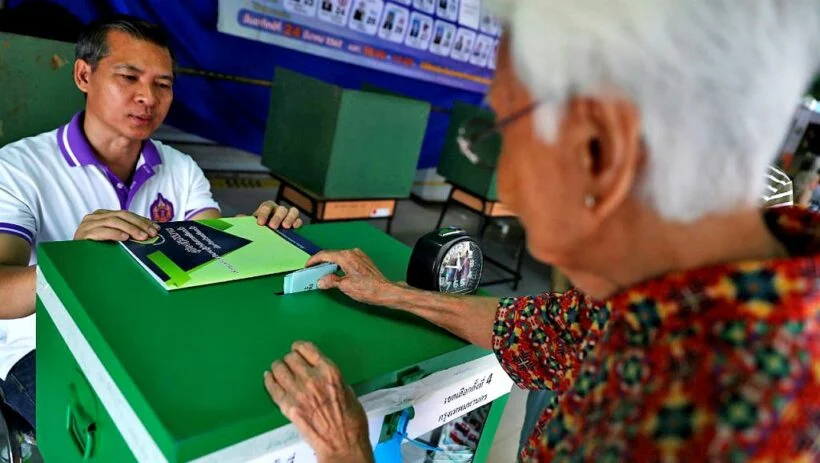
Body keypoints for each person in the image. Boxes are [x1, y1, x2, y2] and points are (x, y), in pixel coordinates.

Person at [261, 1, 820, 461]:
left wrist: (347, 451)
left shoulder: (672, 430)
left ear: (598, 151)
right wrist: (388, 293)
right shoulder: (685, 291)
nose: (502, 172)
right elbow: (529, 329)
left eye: (501, 131)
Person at [0, 15, 302, 429]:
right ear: (84, 74)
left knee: (226, 416)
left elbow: (213, 246)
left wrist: (258, 234)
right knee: (112, 441)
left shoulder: (179, 168)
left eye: (163, 84)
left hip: (152, 331)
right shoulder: (18, 169)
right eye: (129, 77)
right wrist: (75, 264)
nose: (148, 97)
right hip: (44, 345)